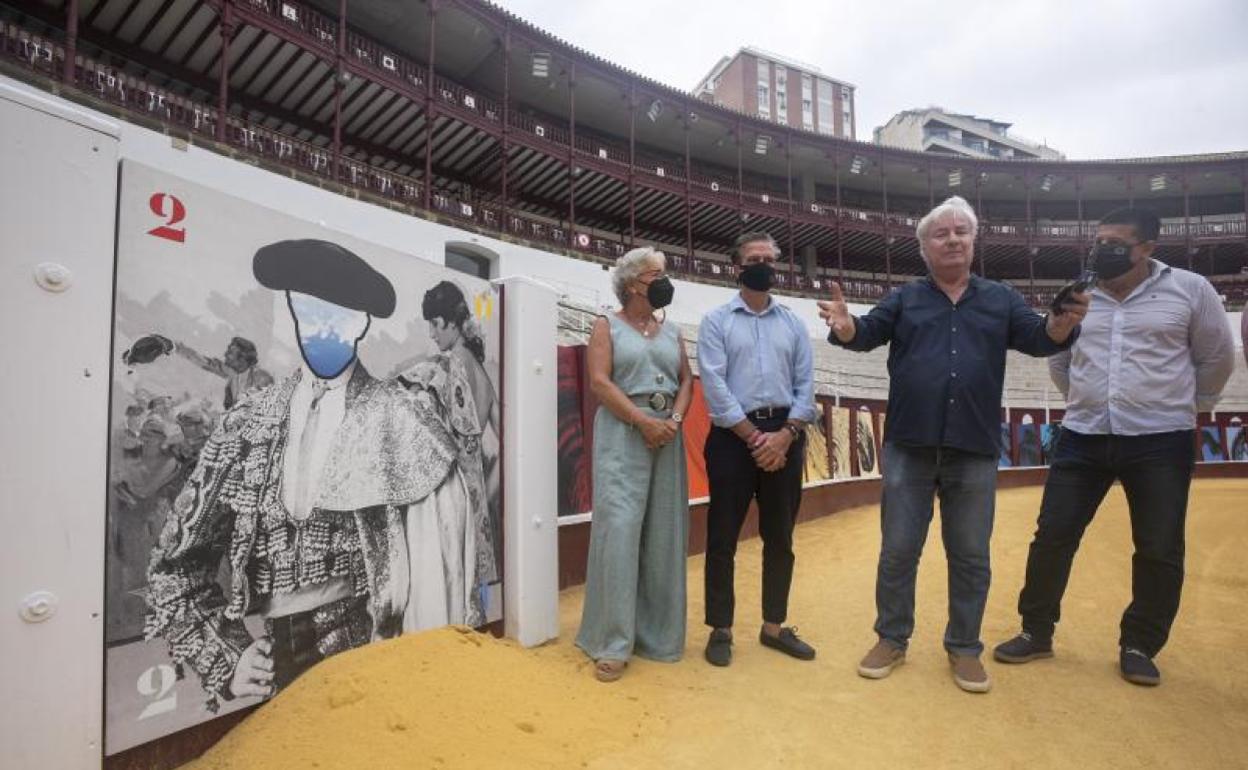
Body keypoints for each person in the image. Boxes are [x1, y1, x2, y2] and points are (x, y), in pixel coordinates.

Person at [145, 239, 459, 710]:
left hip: (373, 649)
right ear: (293, 314)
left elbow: (441, 569)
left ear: (361, 323)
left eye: (338, 319)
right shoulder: (248, 421)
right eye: (310, 317)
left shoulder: (403, 417)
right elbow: (175, 567)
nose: (322, 333)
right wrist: (230, 656)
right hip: (275, 662)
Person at [818, 196, 1087, 693]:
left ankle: (964, 647)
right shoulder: (905, 298)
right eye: (941, 233)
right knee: (899, 551)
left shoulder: (1001, 298)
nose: (953, 239)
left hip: (974, 445)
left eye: (962, 231)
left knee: (970, 555)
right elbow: (865, 334)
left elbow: (1038, 339)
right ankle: (891, 638)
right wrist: (846, 324)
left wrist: (1063, 323)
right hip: (910, 443)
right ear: (924, 247)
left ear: (973, 240)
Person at [994, 207, 1235, 686]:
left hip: (1160, 439)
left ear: (1146, 248)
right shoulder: (1078, 296)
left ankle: (1140, 643)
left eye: (1115, 243)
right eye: (1098, 241)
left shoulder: (1190, 290)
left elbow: (1217, 359)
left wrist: (1188, 406)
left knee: (1159, 546)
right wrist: (1086, 402)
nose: (1102, 250)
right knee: (1053, 535)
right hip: (1083, 435)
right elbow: (1058, 358)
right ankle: (1036, 631)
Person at [698, 232, 819, 667]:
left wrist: (785, 435)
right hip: (734, 439)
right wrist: (756, 438)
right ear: (737, 265)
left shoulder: (793, 323)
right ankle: (721, 629)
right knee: (722, 538)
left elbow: (807, 386)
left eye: (770, 259)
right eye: (754, 259)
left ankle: (774, 626)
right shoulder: (716, 321)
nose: (763, 265)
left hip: (785, 436)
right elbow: (715, 387)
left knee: (781, 537)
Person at [575, 247, 692, 682]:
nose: (663, 281)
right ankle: (612, 641)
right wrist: (644, 421)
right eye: (654, 274)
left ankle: (658, 637)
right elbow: (600, 383)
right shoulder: (606, 326)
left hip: (668, 436)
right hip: (623, 435)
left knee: (665, 532)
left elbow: (686, 382)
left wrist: (673, 421)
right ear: (631, 284)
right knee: (619, 532)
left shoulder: (673, 330)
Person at [398, 280, 500, 631]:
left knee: (447, 588)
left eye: (434, 324)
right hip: (476, 498)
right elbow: (508, 444)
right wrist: (485, 492)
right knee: (474, 590)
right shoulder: (484, 376)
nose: (430, 333)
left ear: (451, 324)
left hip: (447, 496)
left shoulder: (440, 366)